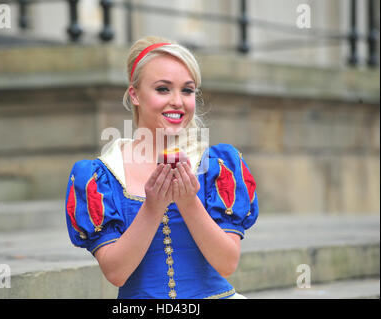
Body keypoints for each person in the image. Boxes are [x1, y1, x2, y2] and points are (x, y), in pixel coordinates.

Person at [65, 36, 258, 299]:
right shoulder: (101, 176)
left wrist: (189, 201)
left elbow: (227, 264)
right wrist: (153, 206)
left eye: (187, 90)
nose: (177, 101)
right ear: (134, 94)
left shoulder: (217, 165)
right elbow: (116, 273)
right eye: (163, 89)